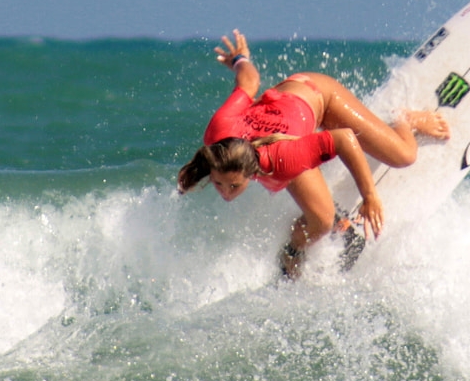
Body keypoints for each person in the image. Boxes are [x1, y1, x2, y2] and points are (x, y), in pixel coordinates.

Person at [178, 29, 449, 278]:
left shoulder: (283, 159)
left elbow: (344, 139)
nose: (226, 193)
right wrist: (239, 59)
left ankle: (405, 119)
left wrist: (369, 196)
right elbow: (248, 82)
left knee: (403, 156)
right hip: (288, 122)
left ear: (251, 172)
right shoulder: (218, 135)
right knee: (321, 219)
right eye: (219, 184)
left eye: (234, 186)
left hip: (318, 95)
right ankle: (299, 246)